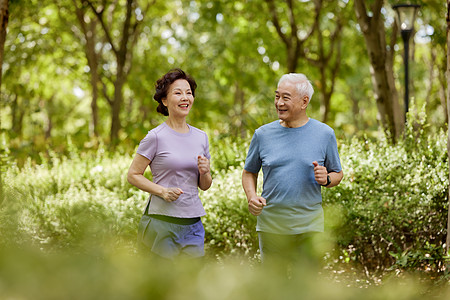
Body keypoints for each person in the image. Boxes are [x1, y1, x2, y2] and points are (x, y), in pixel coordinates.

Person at [242, 73, 343, 269]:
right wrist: (251, 196)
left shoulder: (324, 134)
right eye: (277, 96)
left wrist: (327, 178)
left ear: (304, 101)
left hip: (309, 228)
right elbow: (249, 172)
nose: (279, 102)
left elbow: (338, 173)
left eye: (285, 97)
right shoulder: (262, 135)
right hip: (271, 227)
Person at [128, 68, 212, 259]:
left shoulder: (201, 137)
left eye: (189, 93)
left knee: (191, 283)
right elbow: (133, 175)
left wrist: (205, 172)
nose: (185, 97)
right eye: (178, 93)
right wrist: (162, 191)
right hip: (161, 222)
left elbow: (204, 186)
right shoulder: (155, 137)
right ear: (164, 101)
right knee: (163, 285)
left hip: (193, 223)